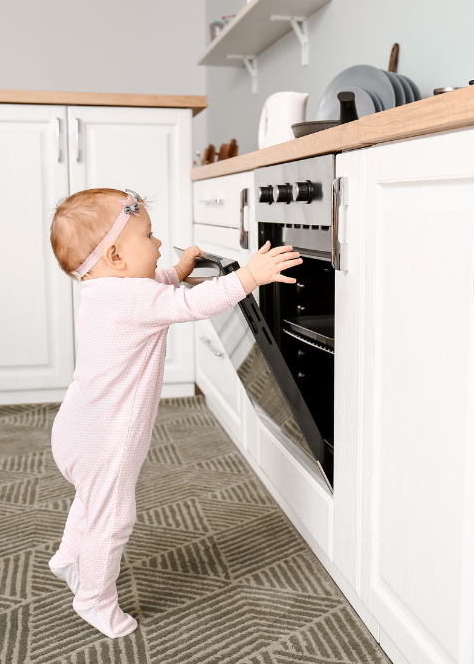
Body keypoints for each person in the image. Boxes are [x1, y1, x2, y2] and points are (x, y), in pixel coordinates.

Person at [46, 187, 301, 638]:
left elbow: (153, 288)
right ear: (116, 256)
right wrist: (249, 275)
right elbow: (188, 304)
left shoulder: (105, 291)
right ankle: (93, 600)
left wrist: (178, 270)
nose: (159, 243)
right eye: (148, 235)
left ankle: (69, 557)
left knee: (90, 500)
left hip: (75, 430)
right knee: (112, 519)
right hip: (107, 443)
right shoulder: (132, 299)